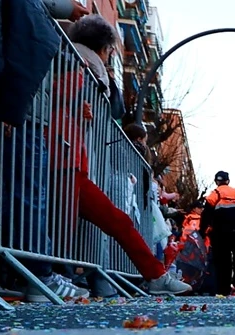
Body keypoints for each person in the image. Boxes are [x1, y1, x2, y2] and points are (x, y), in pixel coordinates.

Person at [48, 15, 189, 297]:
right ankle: (154, 275)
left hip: (67, 159)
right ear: (104, 49)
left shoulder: (76, 68)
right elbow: (64, 99)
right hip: (64, 161)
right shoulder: (82, 70)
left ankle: (55, 277)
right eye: (110, 51)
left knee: (68, 227)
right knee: (112, 222)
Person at [201, 171, 235, 296]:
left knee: (223, 260)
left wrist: (203, 231)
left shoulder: (214, 195)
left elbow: (206, 214)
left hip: (220, 232)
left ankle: (223, 288)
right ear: (228, 181)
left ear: (216, 182)